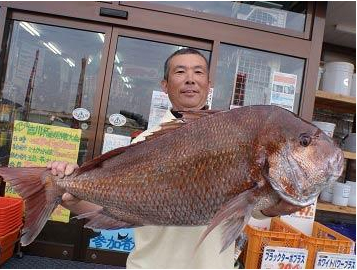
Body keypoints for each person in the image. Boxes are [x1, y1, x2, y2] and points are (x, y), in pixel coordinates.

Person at [48, 48, 290, 268]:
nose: (190, 79)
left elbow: (255, 208)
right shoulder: (146, 142)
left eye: (198, 72)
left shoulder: (235, 138)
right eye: (180, 72)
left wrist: (280, 204)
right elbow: (110, 208)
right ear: (165, 85)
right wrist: (71, 198)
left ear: (208, 83)